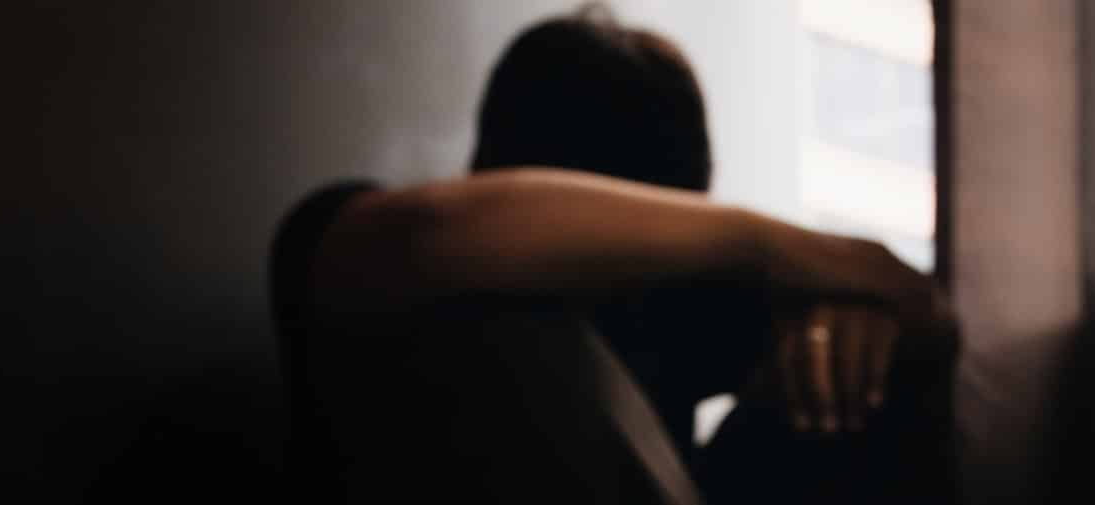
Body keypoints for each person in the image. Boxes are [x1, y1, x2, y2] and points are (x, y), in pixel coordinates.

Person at [270, 5, 958, 504]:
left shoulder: (682, 306)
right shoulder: (387, 252)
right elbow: (426, 234)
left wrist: (851, 330)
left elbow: (932, 325)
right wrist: (760, 244)